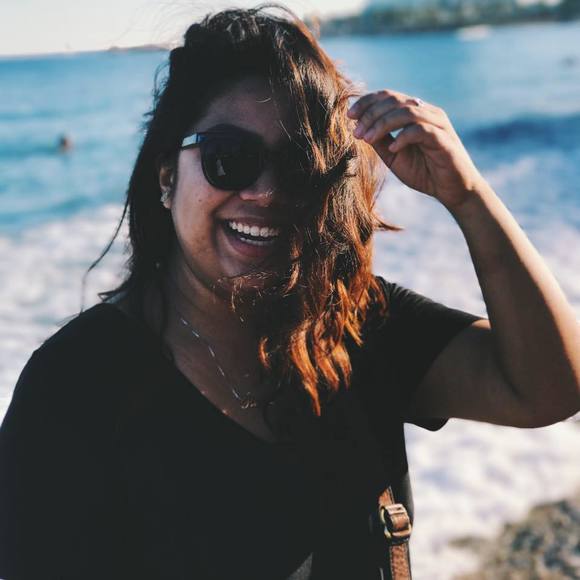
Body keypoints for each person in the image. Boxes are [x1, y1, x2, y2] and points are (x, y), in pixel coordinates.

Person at [0, 6, 578, 580]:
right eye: (229, 158)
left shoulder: (355, 326)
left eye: (298, 164)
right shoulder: (75, 389)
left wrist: (468, 195)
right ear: (167, 175)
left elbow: (549, 388)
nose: (267, 192)